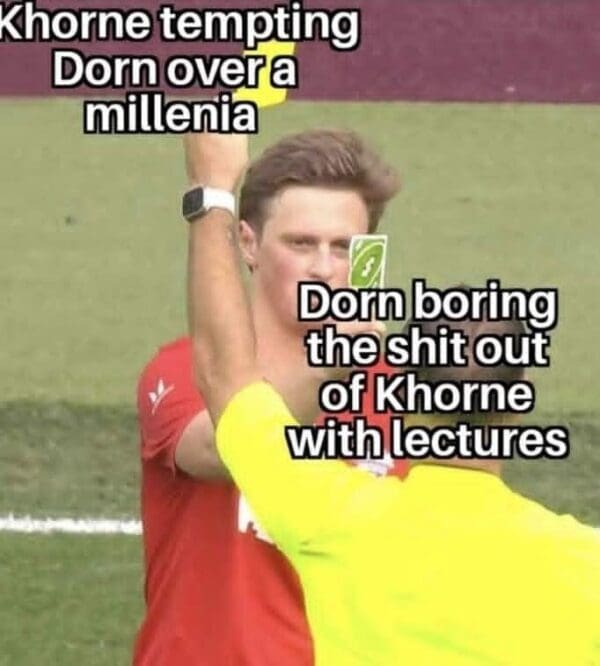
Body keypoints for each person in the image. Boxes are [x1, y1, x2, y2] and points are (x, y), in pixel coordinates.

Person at [188, 131, 600, 665]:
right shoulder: (584, 562)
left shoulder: (331, 516)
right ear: (516, 406)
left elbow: (226, 376)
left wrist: (213, 192)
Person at [132, 128, 404, 664]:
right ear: (248, 244)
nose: (323, 268)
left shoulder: (398, 393)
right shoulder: (182, 371)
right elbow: (222, 449)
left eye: (343, 248)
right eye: (301, 244)